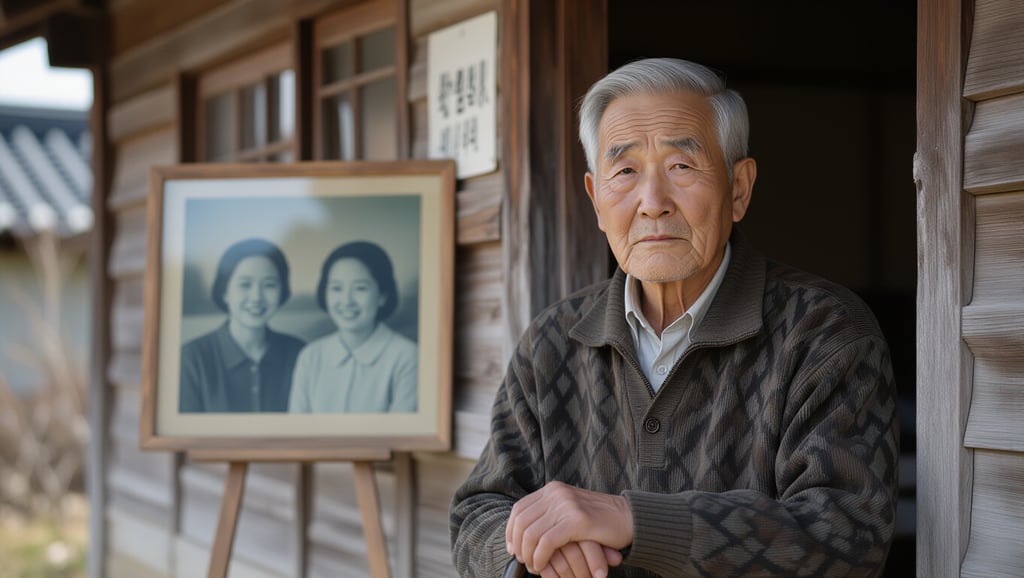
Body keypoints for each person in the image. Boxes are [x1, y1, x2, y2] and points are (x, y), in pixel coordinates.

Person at [449, 58, 899, 578]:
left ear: (738, 188)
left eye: (681, 166)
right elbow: (477, 512)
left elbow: (847, 534)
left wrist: (633, 520)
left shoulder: (824, 331)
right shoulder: (553, 340)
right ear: (597, 201)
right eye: (625, 171)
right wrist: (530, 553)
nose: (653, 202)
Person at [288, 240, 418, 413]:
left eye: (360, 288)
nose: (347, 301)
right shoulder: (311, 356)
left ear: (382, 296)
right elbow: (297, 432)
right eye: (336, 288)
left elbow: (403, 436)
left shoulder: (407, 357)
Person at [179, 238, 305, 413]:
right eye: (245, 284)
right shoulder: (191, 359)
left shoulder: (300, 354)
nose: (256, 297)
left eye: (269, 285)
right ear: (224, 292)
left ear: (282, 291)